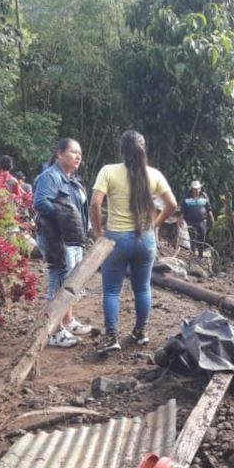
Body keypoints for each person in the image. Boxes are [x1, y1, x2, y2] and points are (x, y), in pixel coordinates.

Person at [90, 130, 177, 354]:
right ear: (143, 149)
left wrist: (99, 232)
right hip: (145, 239)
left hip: (116, 239)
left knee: (111, 291)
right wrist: (155, 224)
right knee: (142, 287)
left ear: (121, 150)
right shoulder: (154, 175)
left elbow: (95, 204)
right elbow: (172, 204)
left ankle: (111, 337)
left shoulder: (108, 171)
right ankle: (140, 332)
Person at [33, 138, 93, 347]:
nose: (78, 156)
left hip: (72, 239)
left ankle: (67, 320)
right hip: (56, 238)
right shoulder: (50, 177)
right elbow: (40, 202)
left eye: (80, 154)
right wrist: (63, 219)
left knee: (71, 281)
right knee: (58, 283)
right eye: (73, 152)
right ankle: (54, 331)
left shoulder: (71, 179)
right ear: (59, 154)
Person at [181, 180, 214, 258]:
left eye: (198, 189)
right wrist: (181, 219)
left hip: (202, 221)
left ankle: (200, 255)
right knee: (192, 238)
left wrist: (212, 218)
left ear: (200, 189)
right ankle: (192, 254)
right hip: (191, 221)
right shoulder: (187, 198)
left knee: (202, 238)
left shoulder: (204, 197)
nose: (196, 191)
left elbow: (209, 208)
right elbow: (183, 210)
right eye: (195, 189)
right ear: (192, 189)